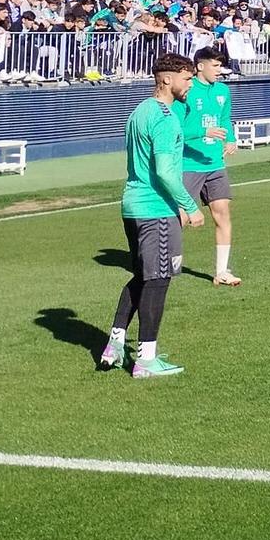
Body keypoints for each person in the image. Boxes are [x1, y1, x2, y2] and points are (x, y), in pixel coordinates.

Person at [99, 53, 204, 378]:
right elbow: (166, 173)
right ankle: (145, 359)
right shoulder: (164, 118)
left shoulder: (140, 111)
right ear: (168, 79)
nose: (190, 85)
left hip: (133, 206)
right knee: (158, 281)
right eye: (187, 79)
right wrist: (188, 206)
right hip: (156, 210)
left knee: (143, 277)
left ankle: (114, 346)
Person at [181, 45, 241, 285]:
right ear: (200, 66)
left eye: (220, 66)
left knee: (223, 214)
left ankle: (222, 271)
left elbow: (225, 118)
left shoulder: (223, 91)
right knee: (181, 217)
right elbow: (176, 128)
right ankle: (163, 260)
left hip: (215, 163)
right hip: (189, 163)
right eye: (215, 66)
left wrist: (230, 139)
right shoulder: (186, 89)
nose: (219, 70)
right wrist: (204, 131)